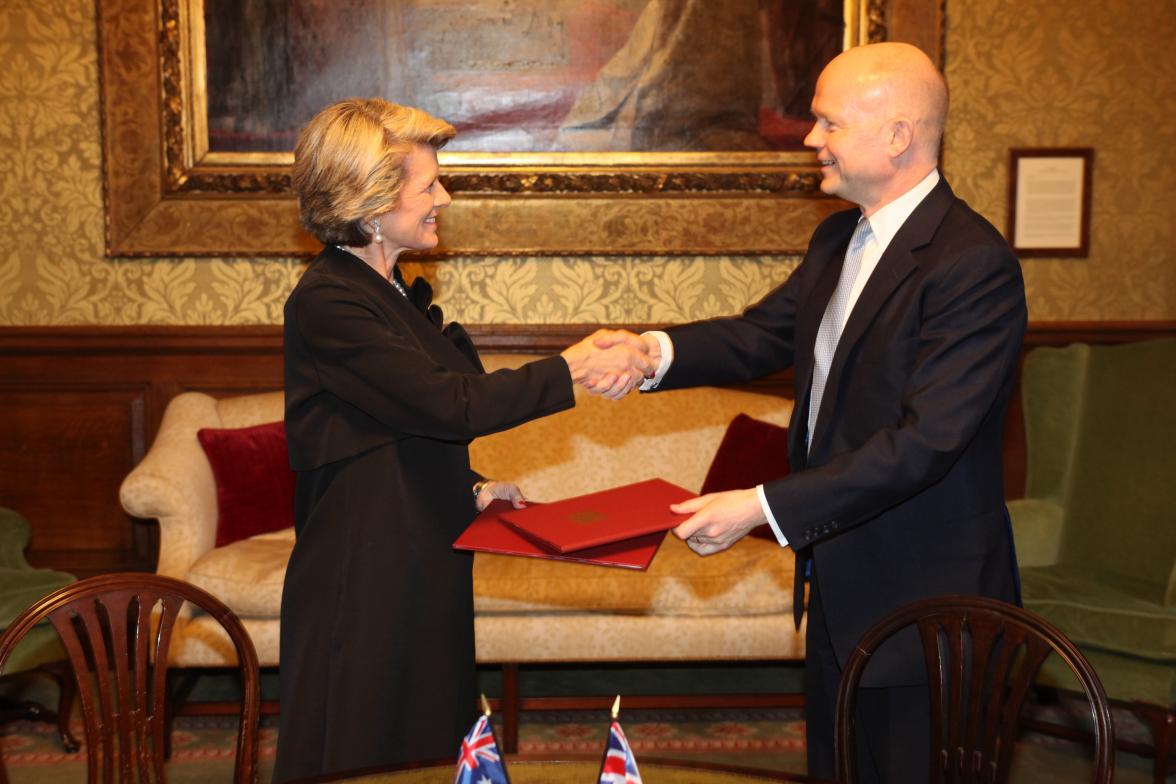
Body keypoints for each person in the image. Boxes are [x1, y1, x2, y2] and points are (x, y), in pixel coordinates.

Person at [593, 42, 1026, 783]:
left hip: (924, 599)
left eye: (828, 123)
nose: (809, 139)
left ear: (897, 136)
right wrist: (649, 352)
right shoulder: (838, 237)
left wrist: (761, 506)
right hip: (838, 580)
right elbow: (762, 333)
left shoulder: (970, 263)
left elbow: (925, 444)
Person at [274, 98, 651, 781]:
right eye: (429, 186)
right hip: (366, 573)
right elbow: (448, 405)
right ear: (371, 201)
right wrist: (570, 368)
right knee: (369, 749)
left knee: (426, 741)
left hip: (419, 554)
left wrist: (471, 487)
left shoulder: (385, 291)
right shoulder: (329, 300)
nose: (443, 197)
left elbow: (393, 429)